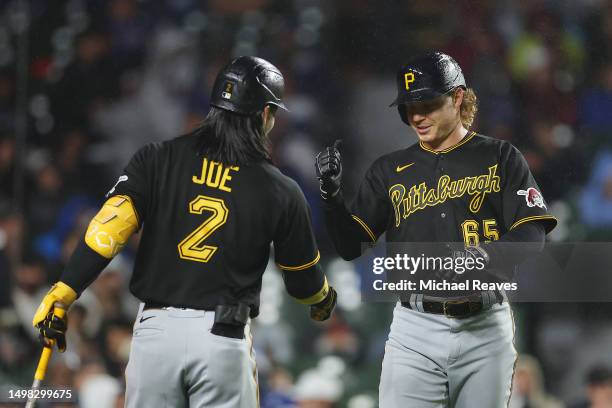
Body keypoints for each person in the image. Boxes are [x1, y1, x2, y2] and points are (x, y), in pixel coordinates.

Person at [33, 56, 337, 408]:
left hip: (155, 336)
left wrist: (66, 289)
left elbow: (108, 231)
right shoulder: (280, 189)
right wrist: (323, 301)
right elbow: (303, 282)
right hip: (222, 339)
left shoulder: (157, 158)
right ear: (265, 114)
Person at [315, 52, 557, 407]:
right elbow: (351, 246)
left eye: (427, 104)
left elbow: (532, 234)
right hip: (415, 327)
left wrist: (484, 257)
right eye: (409, 107)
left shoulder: (501, 157)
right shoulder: (389, 169)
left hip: (485, 326)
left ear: (457, 97)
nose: (416, 116)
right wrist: (332, 200)